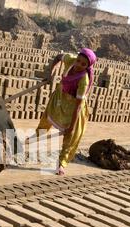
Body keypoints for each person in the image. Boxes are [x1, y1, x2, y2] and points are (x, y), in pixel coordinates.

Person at [34, 48, 97, 176]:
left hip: (74, 106)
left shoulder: (83, 80)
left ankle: (61, 163)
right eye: (78, 61)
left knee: (72, 135)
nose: (79, 65)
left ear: (87, 66)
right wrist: (50, 74)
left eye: (83, 64)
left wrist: (72, 127)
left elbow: (78, 106)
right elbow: (58, 57)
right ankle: (36, 136)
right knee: (47, 118)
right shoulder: (70, 60)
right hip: (60, 97)